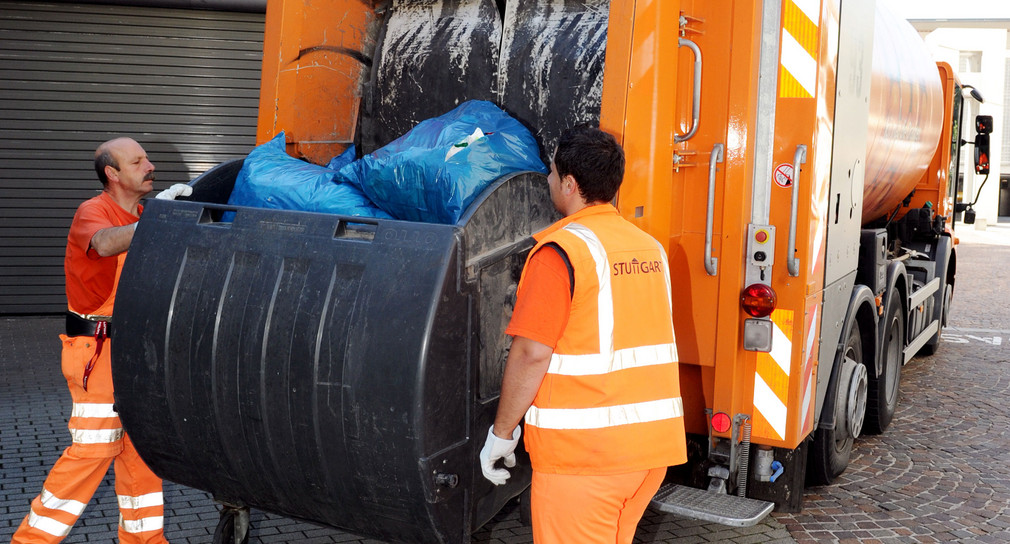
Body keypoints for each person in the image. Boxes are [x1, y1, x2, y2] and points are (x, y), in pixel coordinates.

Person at [479, 126, 687, 543]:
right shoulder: (648, 248)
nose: (551, 181)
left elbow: (530, 354)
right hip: (648, 454)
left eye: (554, 174)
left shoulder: (561, 253)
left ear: (570, 185)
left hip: (586, 461)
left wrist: (501, 434)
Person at [12, 138, 191, 544]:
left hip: (133, 353)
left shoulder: (146, 214)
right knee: (92, 452)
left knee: (141, 455)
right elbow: (107, 243)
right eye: (138, 161)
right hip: (98, 355)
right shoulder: (93, 212)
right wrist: (158, 218)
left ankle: (147, 541)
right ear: (112, 174)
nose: (150, 165)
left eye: (147, 158)